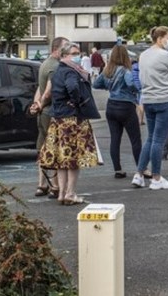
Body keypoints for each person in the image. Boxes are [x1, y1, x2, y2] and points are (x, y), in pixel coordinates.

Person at [38, 42, 100, 205]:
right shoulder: (71, 72)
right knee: (73, 160)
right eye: (74, 53)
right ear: (65, 55)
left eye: (78, 53)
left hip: (57, 119)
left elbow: (49, 92)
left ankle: (62, 193)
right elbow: (72, 87)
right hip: (72, 120)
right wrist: (76, 101)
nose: (78, 56)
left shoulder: (58, 70)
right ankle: (70, 193)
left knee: (62, 159)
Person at [132, 26, 168, 190]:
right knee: (159, 140)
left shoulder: (143, 55)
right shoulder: (166, 55)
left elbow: (141, 77)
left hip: (148, 99)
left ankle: (139, 174)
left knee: (151, 138)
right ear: (160, 38)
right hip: (165, 99)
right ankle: (156, 177)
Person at [92, 45, 142, 179]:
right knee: (135, 139)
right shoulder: (126, 70)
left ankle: (117, 169)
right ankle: (141, 168)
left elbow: (96, 84)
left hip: (111, 106)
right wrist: (136, 90)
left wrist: (108, 87)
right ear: (125, 56)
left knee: (115, 139)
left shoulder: (107, 70)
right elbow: (131, 84)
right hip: (126, 106)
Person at [30, 36, 69, 199]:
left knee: (43, 148)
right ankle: (55, 185)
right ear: (56, 49)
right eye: (65, 47)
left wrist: (36, 104)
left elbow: (39, 88)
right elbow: (48, 90)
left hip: (42, 112)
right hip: (51, 111)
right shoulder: (55, 66)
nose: (68, 50)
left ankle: (42, 185)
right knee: (53, 148)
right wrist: (41, 103)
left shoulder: (44, 64)